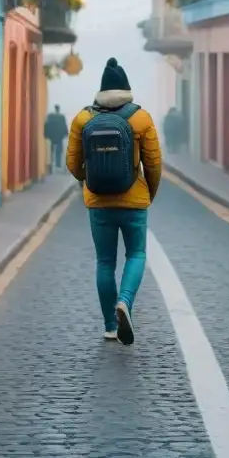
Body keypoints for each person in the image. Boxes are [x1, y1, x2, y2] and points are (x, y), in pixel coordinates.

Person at [67, 57, 162, 345]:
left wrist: (89, 182)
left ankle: (110, 325)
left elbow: (72, 163)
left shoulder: (83, 119)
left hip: (99, 203)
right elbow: (154, 164)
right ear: (126, 90)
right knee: (136, 255)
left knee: (105, 262)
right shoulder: (141, 118)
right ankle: (125, 302)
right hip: (134, 202)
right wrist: (149, 193)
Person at [44, 104, 68, 173]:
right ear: (58, 109)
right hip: (59, 137)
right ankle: (58, 165)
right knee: (58, 151)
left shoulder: (50, 116)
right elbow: (64, 125)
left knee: (51, 151)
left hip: (51, 136)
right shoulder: (61, 117)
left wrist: (46, 134)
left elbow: (46, 125)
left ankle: (52, 164)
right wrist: (66, 133)